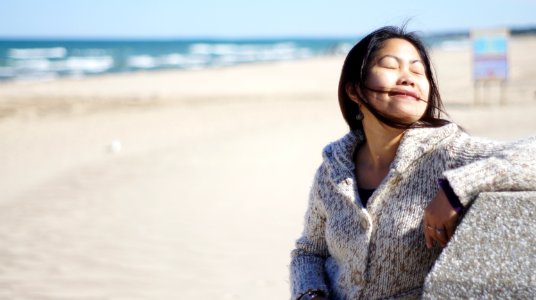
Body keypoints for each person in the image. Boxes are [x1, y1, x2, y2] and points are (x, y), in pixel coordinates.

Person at [289, 26, 536, 300]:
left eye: (418, 72)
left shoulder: (449, 153)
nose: (408, 78)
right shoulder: (333, 170)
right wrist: (310, 294)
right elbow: (309, 251)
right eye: (390, 66)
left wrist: (456, 189)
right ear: (354, 90)